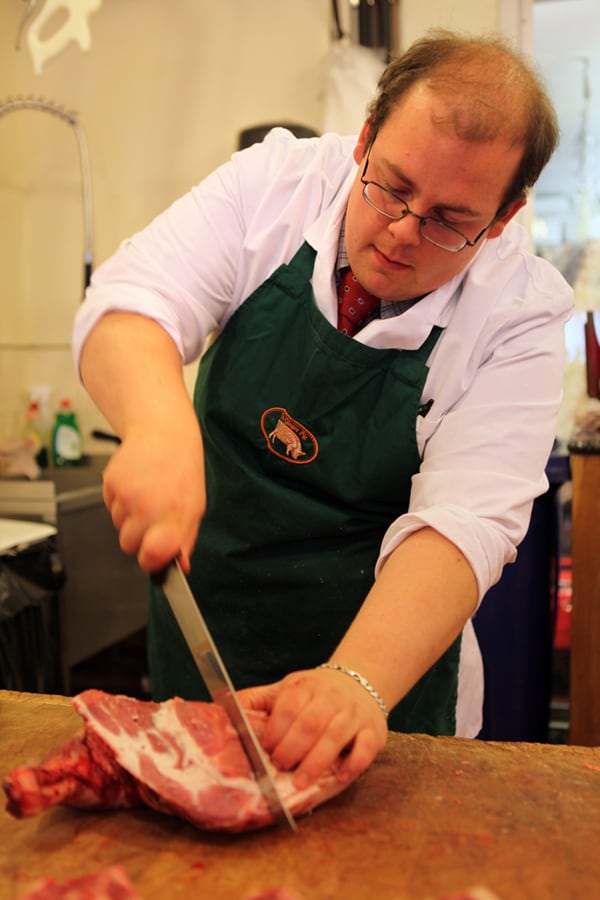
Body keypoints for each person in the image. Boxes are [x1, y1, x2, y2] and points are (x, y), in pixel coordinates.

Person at [73, 29, 573, 794]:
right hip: (211, 645)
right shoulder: (274, 184)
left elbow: (467, 522)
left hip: (380, 686)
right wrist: (158, 424)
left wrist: (357, 681)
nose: (403, 232)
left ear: (502, 218)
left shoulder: (522, 315)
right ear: (366, 136)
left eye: (448, 220)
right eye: (391, 187)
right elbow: (133, 304)